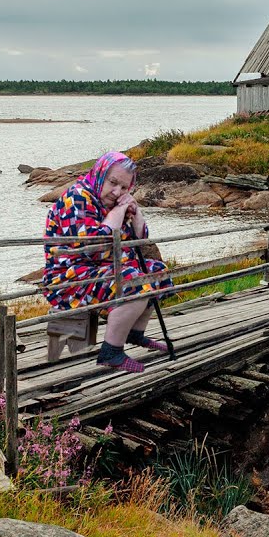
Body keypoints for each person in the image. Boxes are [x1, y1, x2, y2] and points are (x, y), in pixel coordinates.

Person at [42, 151, 172, 373]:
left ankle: (133, 333)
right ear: (101, 174)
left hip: (102, 270)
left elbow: (139, 242)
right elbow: (95, 250)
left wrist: (136, 212)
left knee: (157, 272)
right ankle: (111, 352)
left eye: (124, 188)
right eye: (113, 183)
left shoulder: (109, 201)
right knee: (135, 283)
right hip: (70, 278)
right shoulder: (78, 198)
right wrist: (119, 211)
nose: (117, 191)